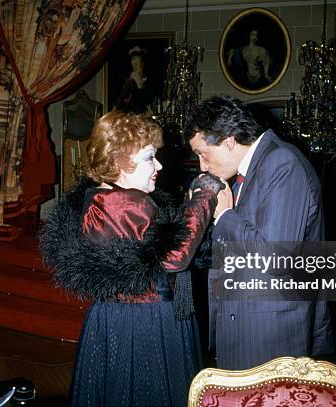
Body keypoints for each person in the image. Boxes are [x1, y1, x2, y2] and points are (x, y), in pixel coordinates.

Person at [40, 111, 222, 406]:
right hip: (148, 321)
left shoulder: (98, 198)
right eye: (150, 157)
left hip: (111, 318)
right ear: (118, 163)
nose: (159, 166)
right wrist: (204, 196)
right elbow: (176, 257)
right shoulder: (127, 203)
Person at [184, 95, 334, 370]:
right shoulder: (250, 169)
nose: (202, 166)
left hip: (270, 331)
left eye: (202, 153)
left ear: (229, 141)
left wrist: (224, 215)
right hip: (244, 319)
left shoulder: (282, 163)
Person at [116, 46, 155, 113]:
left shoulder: (148, 80)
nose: (135, 65)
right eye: (133, 60)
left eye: (137, 63)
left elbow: (149, 100)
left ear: (142, 63)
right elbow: (120, 102)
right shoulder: (130, 81)